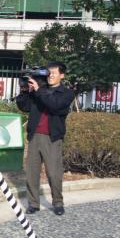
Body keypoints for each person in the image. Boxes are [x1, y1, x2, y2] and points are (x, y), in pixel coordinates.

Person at [15, 61, 74, 216]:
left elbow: (55, 105)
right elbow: (25, 107)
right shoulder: (40, 90)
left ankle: (58, 202)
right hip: (35, 136)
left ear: (62, 75)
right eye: (49, 73)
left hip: (52, 138)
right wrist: (24, 91)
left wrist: (39, 90)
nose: (51, 76)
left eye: (54, 73)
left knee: (54, 173)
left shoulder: (66, 93)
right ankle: (33, 203)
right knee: (32, 173)